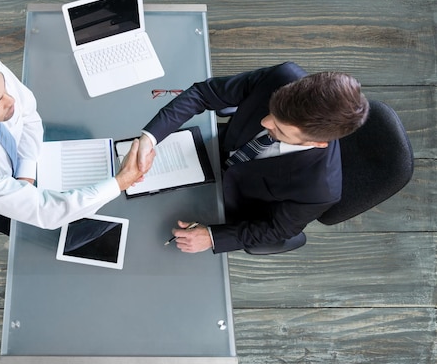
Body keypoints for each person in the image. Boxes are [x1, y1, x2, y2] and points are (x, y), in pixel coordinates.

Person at [136, 62, 369, 254]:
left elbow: (276, 230)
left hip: (227, 205)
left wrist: (212, 237)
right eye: (271, 111)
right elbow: (203, 93)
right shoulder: (282, 76)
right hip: (210, 151)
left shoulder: (320, 191)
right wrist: (150, 138)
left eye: (279, 128)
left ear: (315, 143)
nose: (265, 122)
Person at [0, 50, 150, 235]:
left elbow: (28, 114)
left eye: (3, 88)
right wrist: (120, 182)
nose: (10, 101)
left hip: (17, 167)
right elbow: (47, 213)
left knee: (86, 134)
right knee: (70, 234)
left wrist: (25, 174)